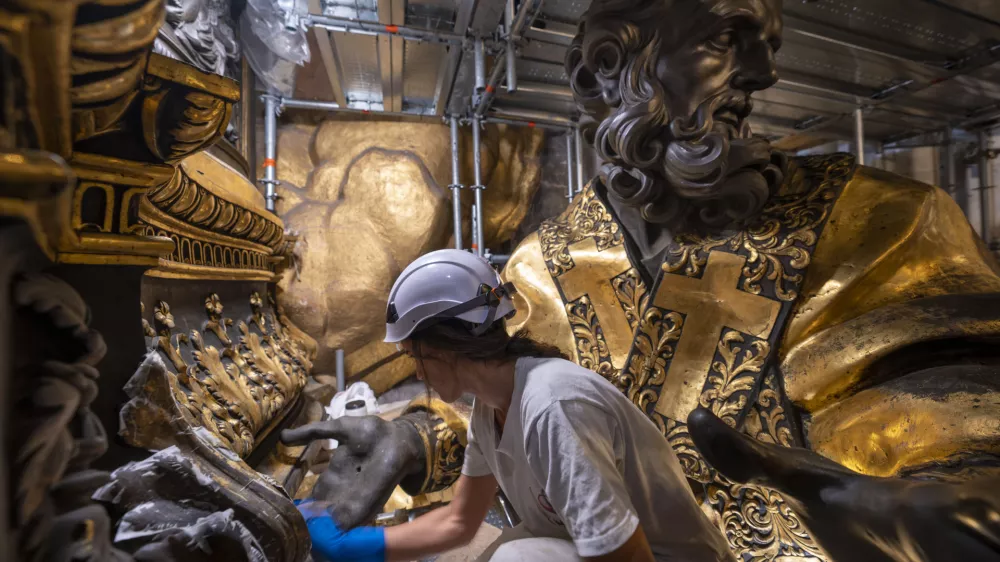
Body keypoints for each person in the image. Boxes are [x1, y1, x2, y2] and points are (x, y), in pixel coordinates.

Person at [288, 249, 733, 562]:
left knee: (518, 558)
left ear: (445, 344)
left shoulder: (552, 405)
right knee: (499, 553)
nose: (417, 371)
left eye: (414, 355)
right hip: (606, 550)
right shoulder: (490, 409)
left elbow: (627, 555)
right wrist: (359, 545)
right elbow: (459, 522)